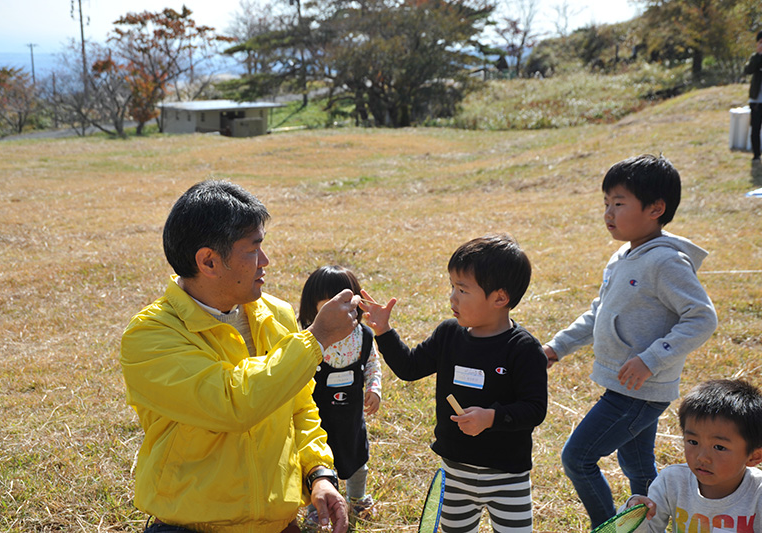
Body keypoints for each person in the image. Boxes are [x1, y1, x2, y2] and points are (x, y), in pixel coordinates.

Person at [120, 180, 357, 533]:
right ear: (209, 261)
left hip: (277, 523)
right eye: (252, 249)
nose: (265, 261)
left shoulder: (276, 315)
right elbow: (233, 403)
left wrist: (317, 473)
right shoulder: (150, 337)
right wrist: (318, 337)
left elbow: (300, 406)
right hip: (193, 526)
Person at [543, 154, 719, 529]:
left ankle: (607, 526)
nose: (608, 213)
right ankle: (650, 524)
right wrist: (557, 347)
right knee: (638, 467)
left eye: (619, 203)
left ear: (656, 208)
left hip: (640, 389)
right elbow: (598, 313)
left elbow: (702, 317)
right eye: (606, 203)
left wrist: (651, 359)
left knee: (578, 458)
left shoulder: (666, 263)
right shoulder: (623, 256)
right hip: (627, 385)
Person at [361, 234, 548, 533]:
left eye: (462, 289)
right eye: (452, 287)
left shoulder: (523, 348)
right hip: (455, 470)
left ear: (500, 298)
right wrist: (383, 331)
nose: (452, 297)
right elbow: (409, 367)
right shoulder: (449, 334)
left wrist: (491, 418)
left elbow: (535, 408)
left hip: (507, 475)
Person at [297, 266, 382, 529]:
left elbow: (372, 364)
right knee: (316, 466)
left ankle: (356, 499)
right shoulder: (309, 338)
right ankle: (315, 507)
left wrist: (374, 388)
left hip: (351, 417)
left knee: (357, 460)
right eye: (328, 308)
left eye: (346, 305)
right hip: (318, 418)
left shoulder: (363, 337)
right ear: (313, 309)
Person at [620, 379, 762, 533]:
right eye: (693, 442)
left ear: (754, 456)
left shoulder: (758, 494)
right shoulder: (673, 481)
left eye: (719, 447)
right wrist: (633, 514)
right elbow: (650, 530)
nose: (702, 457)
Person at [744, 30, 762, 162]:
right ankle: (756, 155)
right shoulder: (755, 58)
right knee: (755, 128)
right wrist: (758, 55)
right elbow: (747, 70)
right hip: (756, 100)